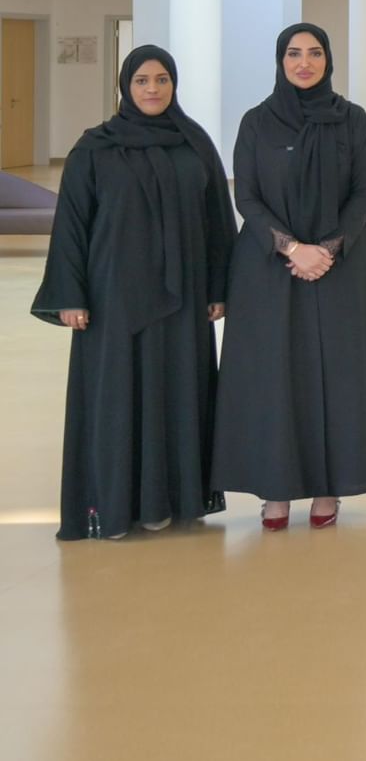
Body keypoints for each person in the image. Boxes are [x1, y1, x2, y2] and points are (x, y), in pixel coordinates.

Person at [32, 46, 235, 540]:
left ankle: (171, 501)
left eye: (162, 79)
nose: (152, 89)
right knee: (116, 398)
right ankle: (114, 505)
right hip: (113, 298)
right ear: (125, 85)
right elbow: (72, 225)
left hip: (184, 297)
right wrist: (71, 296)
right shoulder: (95, 148)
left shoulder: (194, 144)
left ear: (174, 85)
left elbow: (217, 221)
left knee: (178, 394)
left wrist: (219, 288)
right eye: (142, 80)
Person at [214, 23, 366, 529]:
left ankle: (328, 487)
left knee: (337, 373)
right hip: (268, 265)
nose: (304, 63)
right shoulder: (257, 122)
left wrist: (327, 248)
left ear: (328, 60)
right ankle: (274, 488)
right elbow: (246, 195)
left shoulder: (353, 120)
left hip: (343, 263)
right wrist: (292, 247)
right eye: (294, 53)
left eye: (315, 53)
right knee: (273, 373)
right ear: (280, 61)